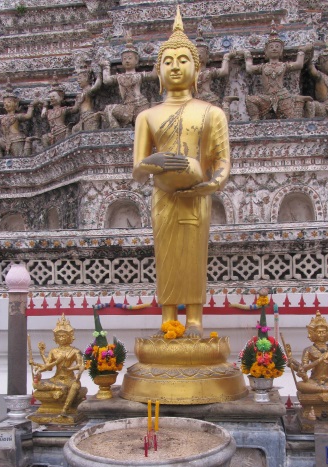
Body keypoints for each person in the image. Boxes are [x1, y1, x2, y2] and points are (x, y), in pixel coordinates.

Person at [133, 7, 230, 337]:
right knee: (167, 259)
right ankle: (168, 319)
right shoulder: (147, 116)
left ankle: (195, 320)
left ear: (197, 69)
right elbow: (137, 168)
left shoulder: (211, 113)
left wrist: (209, 184)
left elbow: (222, 161)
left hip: (196, 197)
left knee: (192, 257)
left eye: (183, 59)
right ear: (158, 71)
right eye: (168, 61)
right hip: (163, 196)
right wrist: (157, 162)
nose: (175, 66)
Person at [244, 21, 310, 120]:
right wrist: (247, 55)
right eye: (271, 47)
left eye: (277, 47)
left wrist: (302, 51)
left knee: (294, 120)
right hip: (266, 97)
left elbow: (299, 64)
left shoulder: (283, 65)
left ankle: (298, 100)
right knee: (250, 100)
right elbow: (249, 68)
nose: (274, 49)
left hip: (282, 95)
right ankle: (255, 121)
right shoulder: (263, 67)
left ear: (281, 51)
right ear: (266, 51)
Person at [30, 314, 84, 416]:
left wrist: (69, 368)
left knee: (75, 386)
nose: (61, 338)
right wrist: (41, 354)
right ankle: (57, 389)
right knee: (36, 384)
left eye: (63, 336)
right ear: (55, 338)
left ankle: (65, 409)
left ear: (69, 336)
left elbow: (80, 365)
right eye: (59, 336)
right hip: (55, 379)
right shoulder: (53, 351)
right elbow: (49, 367)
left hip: (69, 379)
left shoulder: (75, 351)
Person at [102, 31, 157, 128]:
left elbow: (153, 75)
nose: (127, 60)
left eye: (130, 58)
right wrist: (105, 67)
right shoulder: (119, 77)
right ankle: (116, 133)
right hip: (127, 107)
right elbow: (106, 80)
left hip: (141, 105)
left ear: (136, 61)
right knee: (108, 109)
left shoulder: (139, 75)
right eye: (124, 59)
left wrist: (158, 63)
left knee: (142, 128)